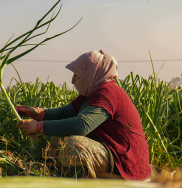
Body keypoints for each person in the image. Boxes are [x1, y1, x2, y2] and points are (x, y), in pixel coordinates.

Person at [15, 50, 151, 180]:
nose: (73, 81)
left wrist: (37, 127)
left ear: (90, 74)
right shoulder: (90, 94)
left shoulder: (107, 93)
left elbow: (82, 125)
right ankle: (56, 176)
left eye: (77, 75)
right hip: (111, 150)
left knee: (73, 146)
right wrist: (36, 113)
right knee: (59, 136)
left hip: (125, 158)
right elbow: (64, 113)